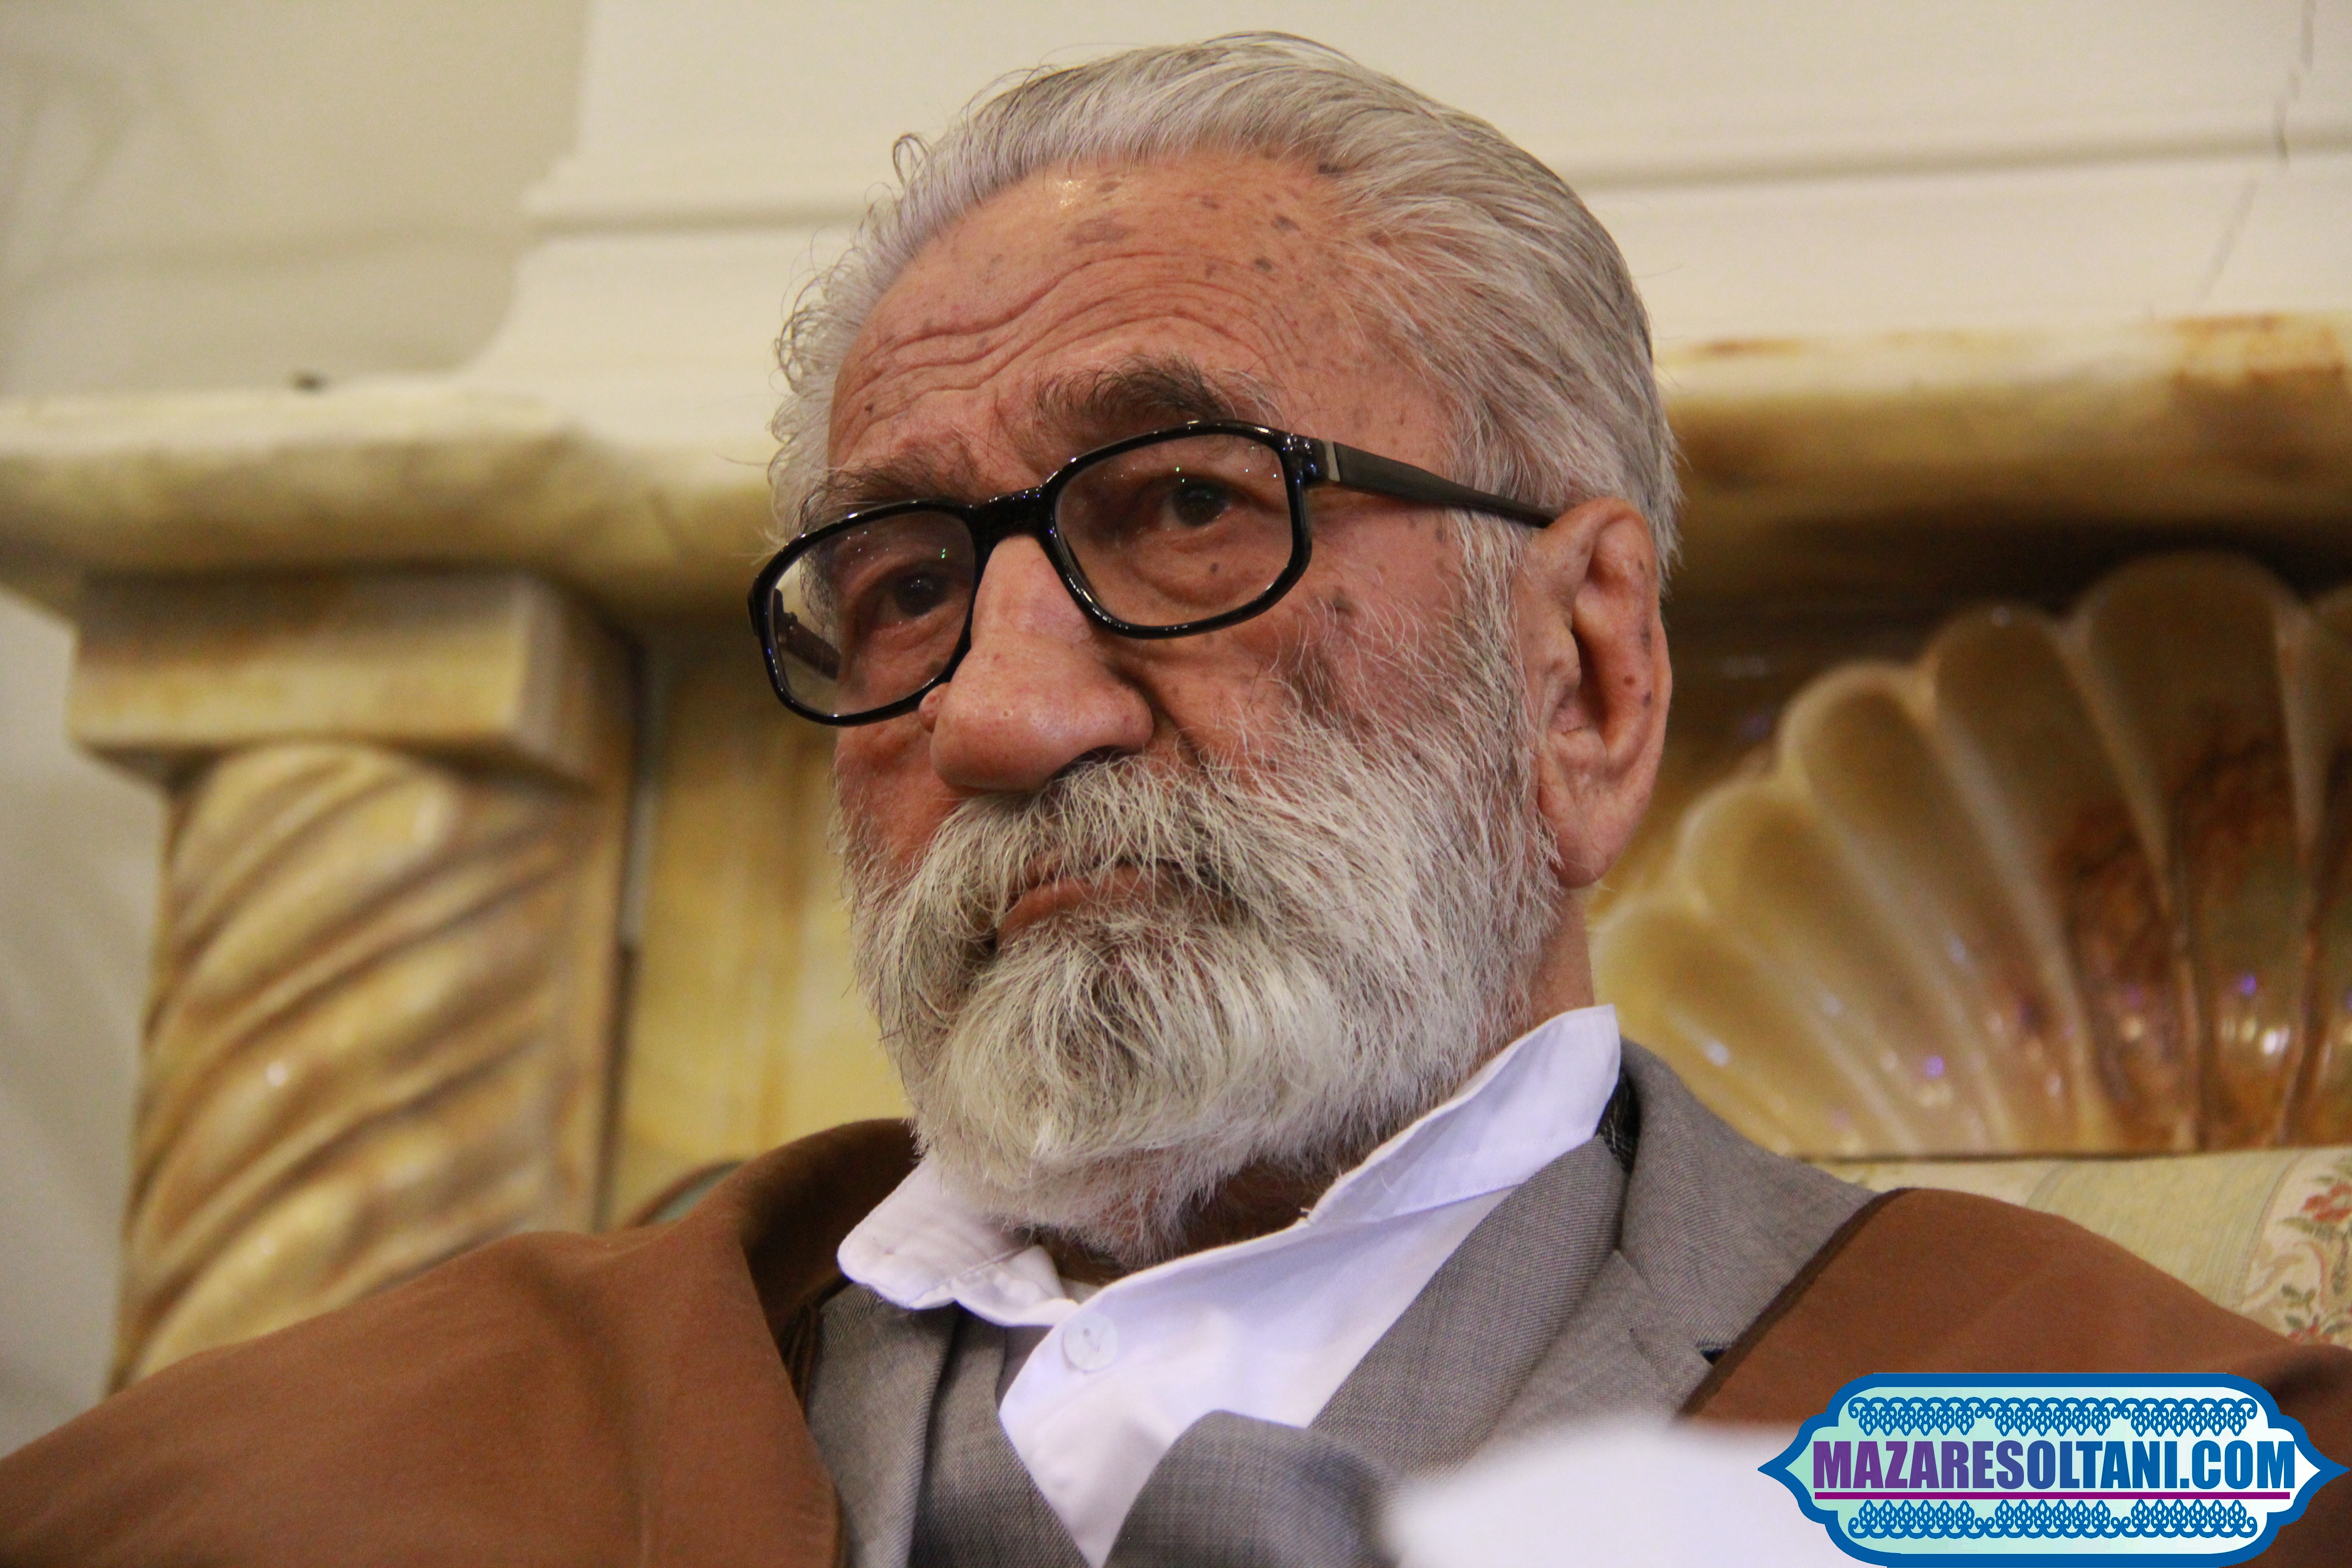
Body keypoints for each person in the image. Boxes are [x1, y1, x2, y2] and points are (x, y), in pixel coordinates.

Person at [1, 33, 2346, 1568]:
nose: (1002, 716)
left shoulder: (2096, 1459)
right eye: (903, 583)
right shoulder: (356, 1472)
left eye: (1193, 510)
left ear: (1588, 674)